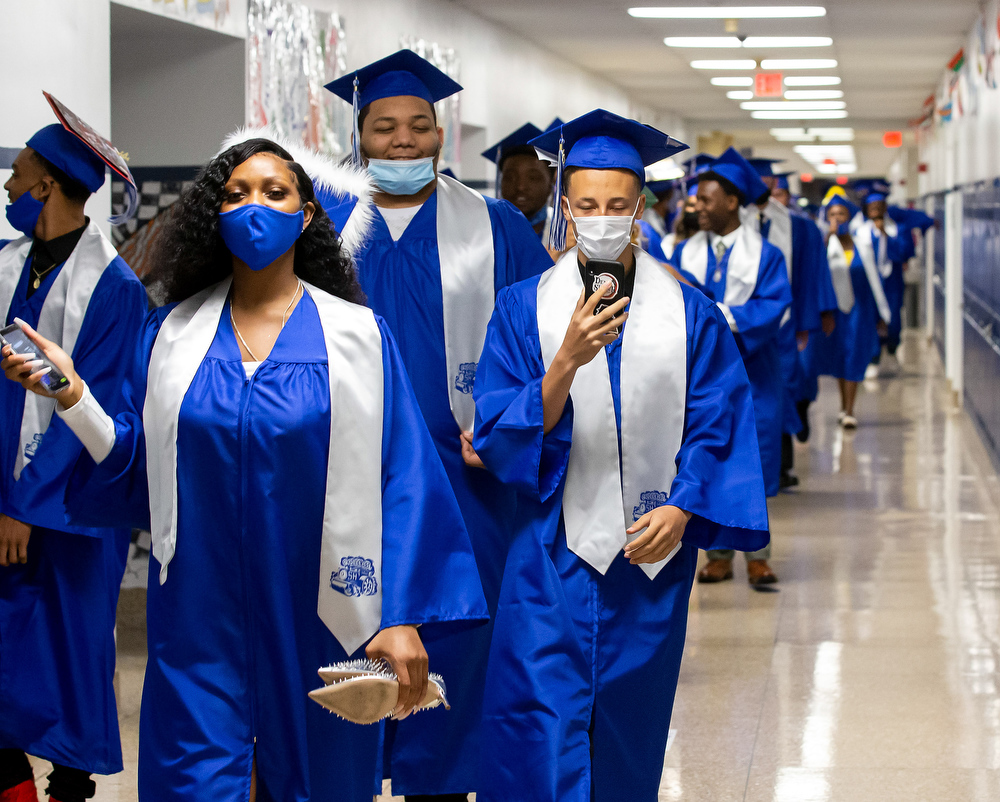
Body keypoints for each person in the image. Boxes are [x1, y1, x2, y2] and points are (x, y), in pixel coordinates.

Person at [2, 138, 489, 802]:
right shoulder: (171, 336)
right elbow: (135, 468)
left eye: (273, 192)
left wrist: (400, 613)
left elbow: (404, 480)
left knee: (321, 785)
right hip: (200, 620)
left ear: (307, 215)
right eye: (235, 194)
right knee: (193, 784)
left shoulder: (358, 338)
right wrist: (73, 396)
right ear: (213, 214)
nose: (253, 207)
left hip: (322, 612)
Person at [471, 109, 770, 802]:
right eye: (585, 205)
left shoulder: (687, 312)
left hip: (648, 556)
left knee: (631, 732)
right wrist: (565, 362)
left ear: (639, 207)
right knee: (541, 729)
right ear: (564, 208)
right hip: (550, 550)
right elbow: (500, 430)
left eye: (616, 204)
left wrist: (686, 503)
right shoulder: (523, 309)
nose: (601, 217)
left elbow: (716, 420)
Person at [324, 51, 553, 802]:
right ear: (359, 135)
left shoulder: (493, 227)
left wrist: (507, 423)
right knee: (345, 624)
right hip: (342, 474)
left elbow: (536, 338)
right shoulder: (318, 223)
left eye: (419, 125)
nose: (402, 140)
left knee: (455, 641)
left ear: (439, 134)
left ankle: (442, 787)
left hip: (465, 479)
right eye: (385, 126)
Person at [0, 103, 148, 802]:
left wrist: (26, 508)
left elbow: (94, 410)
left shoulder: (114, 290)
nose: (7, 185)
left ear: (46, 187)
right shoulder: (10, 268)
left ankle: (68, 789)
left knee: (67, 657)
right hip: (10, 500)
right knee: (8, 664)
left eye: (18, 171)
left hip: (71, 511)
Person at [671, 148, 791, 586]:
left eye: (705, 199)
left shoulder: (767, 255)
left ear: (732, 202)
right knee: (707, 459)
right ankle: (718, 554)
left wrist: (714, 310)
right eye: (697, 199)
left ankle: (758, 553)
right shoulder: (683, 253)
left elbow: (770, 309)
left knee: (752, 464)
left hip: (754, 376)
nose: (696, 206)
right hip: (701, 379)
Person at [746, 158, 837, 472]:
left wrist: (809, 319)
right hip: (747, 319)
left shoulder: (798, 225)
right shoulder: (737, 220)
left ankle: (781, 460)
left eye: (772, 185)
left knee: (787, 383)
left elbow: (811, 275)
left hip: (786, 319)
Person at [808, 188, 892, 427]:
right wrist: (827, 240)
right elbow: (817, 274)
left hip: (859, 312)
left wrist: (881, 314)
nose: (837, 218)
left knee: (855, 357)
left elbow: (876, 279)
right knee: (840, 357)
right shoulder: (824, 246)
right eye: (832, 214)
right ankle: (844, 406)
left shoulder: (863, 246)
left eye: (842, 214)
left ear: (849, 216)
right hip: (834, 313)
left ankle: (849, 410)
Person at [482, 121, 557, 239]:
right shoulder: (484, 231)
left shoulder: (566, 233)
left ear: (550, 185)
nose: (520, 187)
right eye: (510, 177)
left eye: (533, 178)